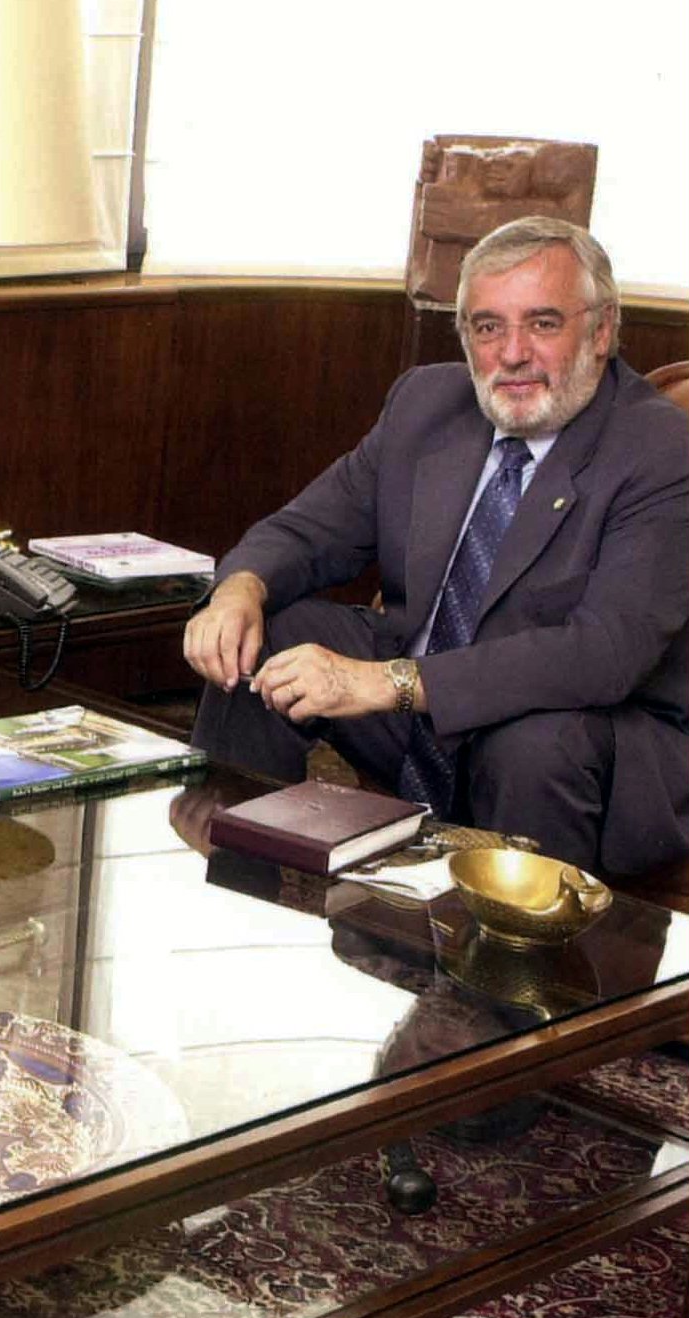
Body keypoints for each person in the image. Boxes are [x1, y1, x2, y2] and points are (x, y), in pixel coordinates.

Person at [184, 216, 689, 878]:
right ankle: (233, 878)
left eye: (541, 324)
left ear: (599, 331)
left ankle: (528, 971)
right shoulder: (427, 404)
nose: (510, 353)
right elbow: (306, 530)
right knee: (268, 636)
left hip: (583, 737)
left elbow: (599, 657)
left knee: (534, 744)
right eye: (487, 327)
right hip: (427, 706)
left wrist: (382, 682)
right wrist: (237, 590)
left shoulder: (658, 450)